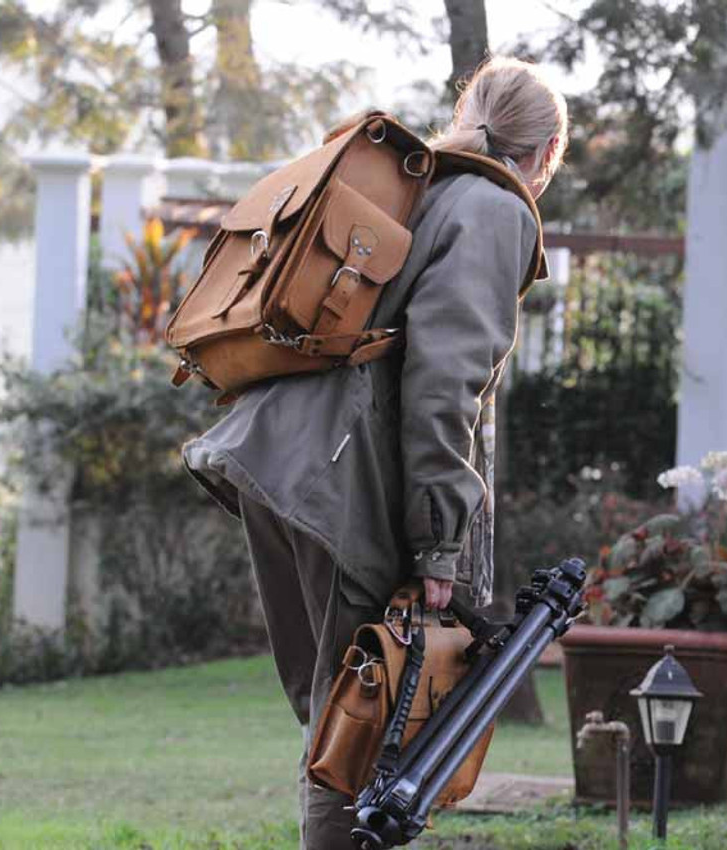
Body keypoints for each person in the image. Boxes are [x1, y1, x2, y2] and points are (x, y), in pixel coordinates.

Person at [180, 56, 568, 848]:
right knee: (367, 727)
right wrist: (439, 546)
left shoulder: (416, 186)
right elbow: (444, 385)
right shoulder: (494, 208)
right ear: (547, 152)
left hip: (275, 460)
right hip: (337, 482)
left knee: (339, 714)